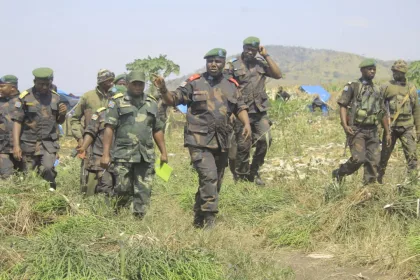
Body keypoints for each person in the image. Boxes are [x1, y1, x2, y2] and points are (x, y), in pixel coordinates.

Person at [153, 48, 251, 229]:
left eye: (218, 61)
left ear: (223, 63)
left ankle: (198, 215)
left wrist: (246, 124)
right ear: (206, 63)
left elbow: (240, 107)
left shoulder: (231, 85)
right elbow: (172, 100)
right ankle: (210, 219)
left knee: (216, 181)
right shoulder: (195, 83)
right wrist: (164, 89)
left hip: (222, 140)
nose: (214, 64)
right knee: (209, 176)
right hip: (198, 141)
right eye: (210, 61)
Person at [101, 70, 168, 218]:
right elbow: (109, 128)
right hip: (123, 154)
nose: (138, 86)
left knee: (144, 190)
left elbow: (157, 129)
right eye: (134, 84)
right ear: (127, 84)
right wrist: (105, 154)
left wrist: (163, 152)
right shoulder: (117, 102)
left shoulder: (151, 102)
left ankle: (139, 219)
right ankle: (118, 216)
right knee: (122, 188)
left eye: (141, 84)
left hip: (146, 155)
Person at [225, 36, 282, 186]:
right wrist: (230, 111)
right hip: (240, 112)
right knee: (242, 146)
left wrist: (266, 55)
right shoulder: (233, 65)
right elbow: (225, 88)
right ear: (243, 48)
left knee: (265, 140)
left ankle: (254, 171)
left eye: (253, 49)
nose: (249, 51)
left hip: (259, 111)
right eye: (247, 48)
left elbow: (278, 74)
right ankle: (241, 177)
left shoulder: (261, 63)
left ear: (257, 50)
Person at [332, 59, 390, 185]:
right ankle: (340, 172)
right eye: (369, 69)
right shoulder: (353, 86)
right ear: (362, 70)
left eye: (374, 69)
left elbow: (383, 111)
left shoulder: (377, 89)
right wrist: (345, 125)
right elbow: (343, 105)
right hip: (357, 129)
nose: (372, 71)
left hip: (373, 131)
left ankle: (368, 189)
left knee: (374, 161)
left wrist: (388, 131)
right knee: (358, 159)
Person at [12, 68, 67, 191]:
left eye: (47, 84)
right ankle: (30, 199)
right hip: (29, 143)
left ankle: (50, 193)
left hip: (49, 143)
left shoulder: (56, 98)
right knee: (28, 174)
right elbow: (17, 122)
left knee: (48, 168)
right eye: (41, 84)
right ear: (34, 81)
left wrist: (63, 114)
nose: (44, 87)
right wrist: (16, 146)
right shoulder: (25, 98)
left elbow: (59, 121)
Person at [70, 69, 119, 195]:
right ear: (101, 82)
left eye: (112, 81)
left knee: (111, 178)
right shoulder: (88, 97)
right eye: (108, 81)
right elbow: (74, 119)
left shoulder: (117, 97)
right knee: (89, 180)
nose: (111, 84)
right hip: (90, 143)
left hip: (112, 143)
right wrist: (80, 139)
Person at [377, 60, 420, 183]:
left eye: (398, 71)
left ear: (404, 72)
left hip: (407, 128)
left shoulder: (411, 88)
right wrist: (380, 130)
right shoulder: (386, 87)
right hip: (390, 128)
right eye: (394, 71)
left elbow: (416, 110)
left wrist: (418, 130)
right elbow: (380, 110)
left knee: (412, 157)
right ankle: (377, 182)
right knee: (384, 156)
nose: (395, 73)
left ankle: (412, 183)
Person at [77, 107, 114, 195]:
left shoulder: (129, 114)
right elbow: (90, 131)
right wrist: (84, 147)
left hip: (121, 158)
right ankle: (102, 207)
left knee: (121, 188)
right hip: (101, 158)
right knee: (105, 185)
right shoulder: (101, 113)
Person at [0, 75, 23, 178]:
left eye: (2, 86)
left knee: (24, 176)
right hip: (3, 147)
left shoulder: (24, 101)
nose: (0, 89)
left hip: (22, 147)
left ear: (13, 87)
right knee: (6, 176)